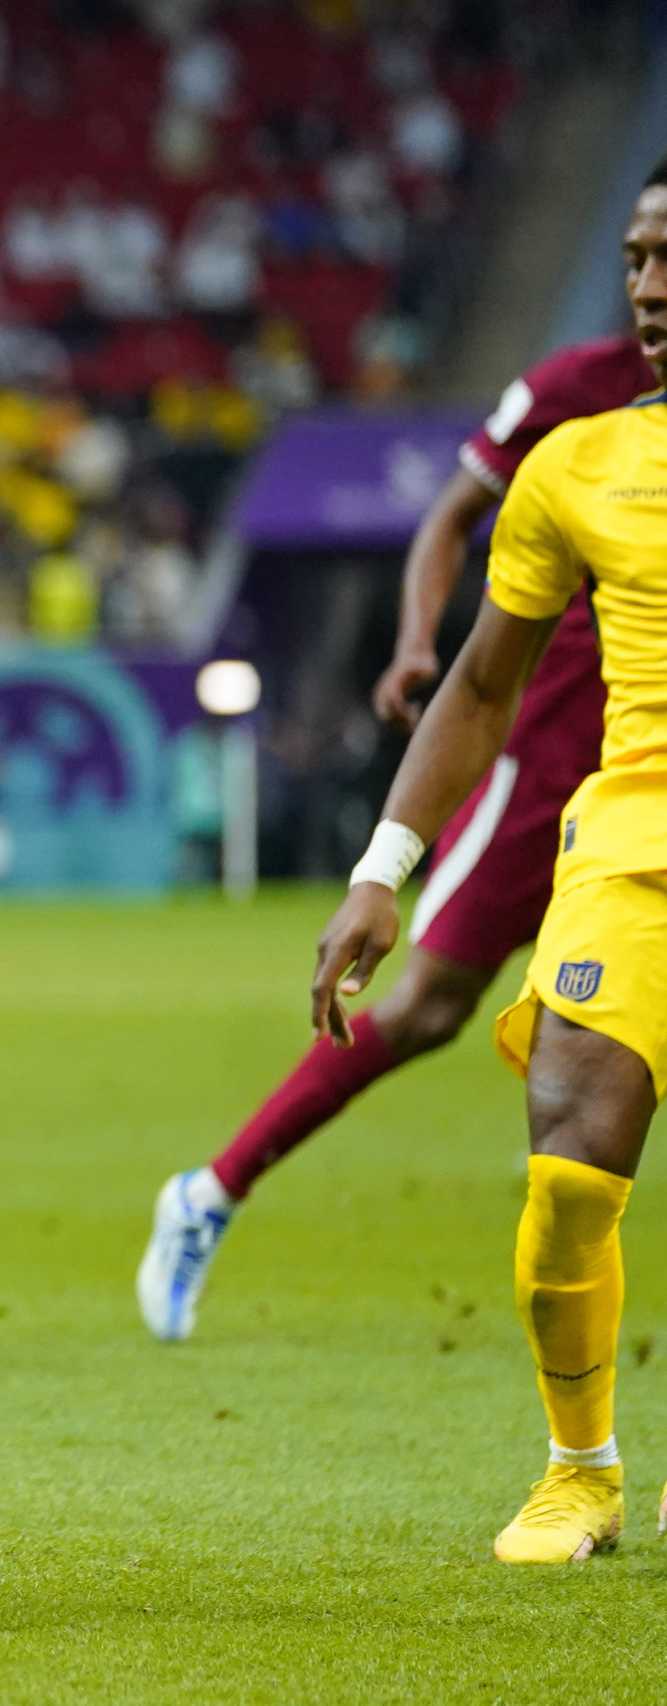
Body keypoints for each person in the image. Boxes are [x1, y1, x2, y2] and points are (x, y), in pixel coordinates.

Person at [136, 325, 653, 1341]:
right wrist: (418, 638)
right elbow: (453, 513)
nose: (652, 287)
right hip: (554, 753)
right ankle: (210, 1190)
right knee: (425, 1005)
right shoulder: (578, 391)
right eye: (638, 259)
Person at [304, 170, 667, 1564]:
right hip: (630, 847)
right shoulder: (575, 464)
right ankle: (581, 1472)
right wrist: (384, 867)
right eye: (634, 258)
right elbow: (477, 686)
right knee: (568, 1145)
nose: (648, 288)